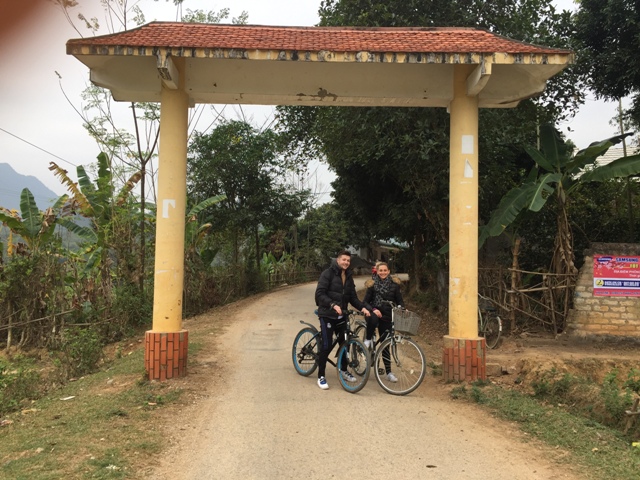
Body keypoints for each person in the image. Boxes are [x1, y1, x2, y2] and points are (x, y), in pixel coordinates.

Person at [314, 250, 372, 390]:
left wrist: (362, 308)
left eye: (348, 260)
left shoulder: (349, 276)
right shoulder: (327, 273)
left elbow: (353, 298)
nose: (346, 262)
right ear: (338, 260)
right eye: (344, 260)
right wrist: (332, 304)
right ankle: (321, 376)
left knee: (345, 343)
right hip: (327, 314)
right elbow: (319, 293)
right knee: (326, 345)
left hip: (342, 315)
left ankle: (344, 370)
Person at [363, 262, 404, 383]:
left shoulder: (394, 286)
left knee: (385, 344)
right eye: (380, 270)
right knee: (373, 318)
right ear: (377, 271)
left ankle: (389, 372)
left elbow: (400, 301)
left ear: (389, 271)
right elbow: (365, 302)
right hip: (373, 314)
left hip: (387, 316)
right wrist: (373, 309)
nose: (383, 272)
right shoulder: (372, 285)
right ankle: (368, 339)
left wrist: (402, 308)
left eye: (385, 270)